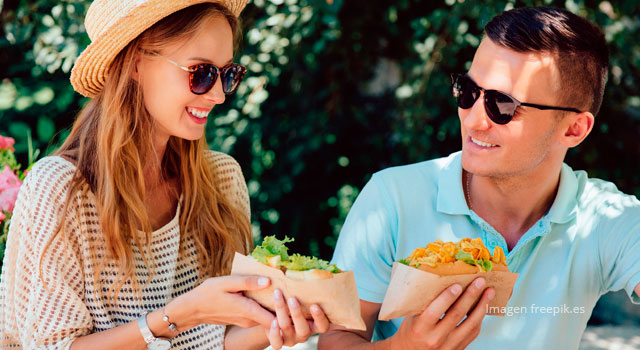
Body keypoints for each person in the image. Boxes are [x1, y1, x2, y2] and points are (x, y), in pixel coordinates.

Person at [0, 1, 329, 349]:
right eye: (201, 73)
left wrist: (279, 323)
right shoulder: (62, 189)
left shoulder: (223, 180)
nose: (218, 95)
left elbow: (220, 337)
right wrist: (180, 315)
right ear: (137, 63)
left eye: (228, 75)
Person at [319, 6, 640, 350]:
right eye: (468, 90)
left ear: (574, 129)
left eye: (502, 105)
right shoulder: (392, 199)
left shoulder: (606, 219)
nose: (473, 121)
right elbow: (336, 340)